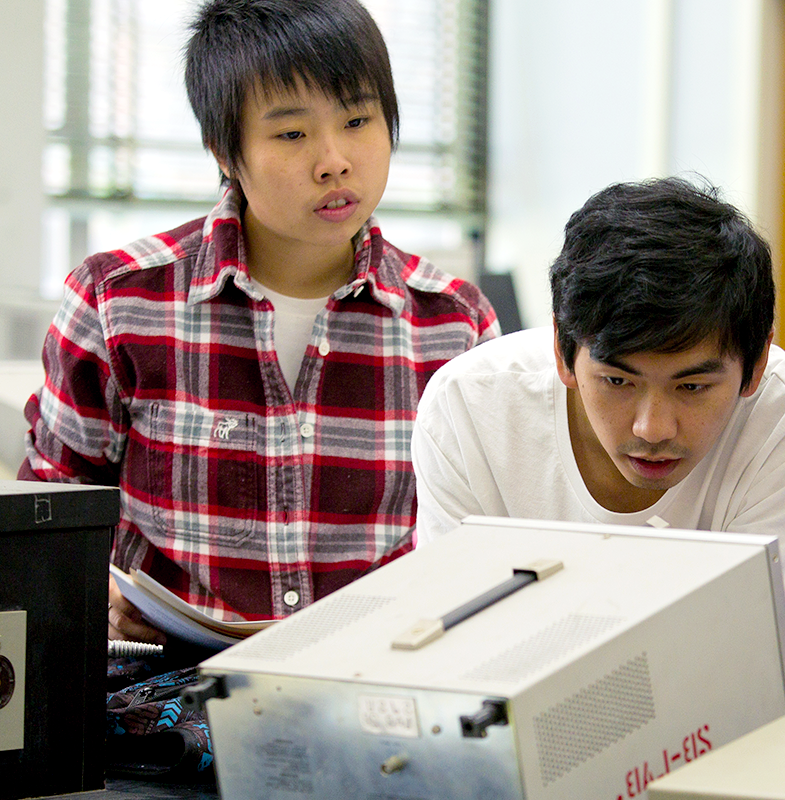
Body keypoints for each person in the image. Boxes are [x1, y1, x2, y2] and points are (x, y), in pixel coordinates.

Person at [21, 0, 495, 642]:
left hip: (372, 690)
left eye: (358, 120)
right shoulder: (118, 301)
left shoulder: (454, 326)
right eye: (292, 134)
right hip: (163, 697)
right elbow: (50, 515)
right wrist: (95, 589)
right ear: (225, 149)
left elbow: (482, 544)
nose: (334, 161)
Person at [412, 177, 785, 635]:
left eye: (693, 388)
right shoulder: (469, 408)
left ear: (756, 365)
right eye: (618, 381)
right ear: (564, 352)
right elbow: (454, 641)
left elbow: (752, 668)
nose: (652, 428)